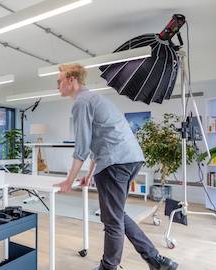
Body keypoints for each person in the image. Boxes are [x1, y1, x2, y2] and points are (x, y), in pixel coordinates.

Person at [54, 64, 178, 270]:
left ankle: (109, 267)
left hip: (115, 163)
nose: (57, 85)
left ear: (72, 80)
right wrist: (90, 174)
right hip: (130, 158)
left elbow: (82, 147)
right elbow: (100, 141)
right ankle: (157, 261)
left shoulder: (81, 103)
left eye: (59, 81)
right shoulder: (95, 99)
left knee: (112, 220)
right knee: (117, 215)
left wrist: (69, 180)